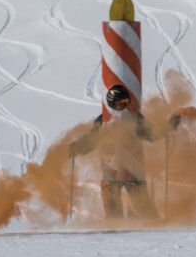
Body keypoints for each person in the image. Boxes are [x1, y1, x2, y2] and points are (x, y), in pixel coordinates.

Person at [69, 84, 180, 219]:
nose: (123, 107)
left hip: (132, 171)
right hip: (110, 172)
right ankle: (115, 235)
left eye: (125, 103)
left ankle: (154, 231)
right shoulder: (103, 120)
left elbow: (151, 134)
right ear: (111, 103)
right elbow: (92, 140)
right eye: (119, 103)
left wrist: (167, 127)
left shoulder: (135, 118)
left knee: (144, 209)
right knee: (113, 213)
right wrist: (78, 147)